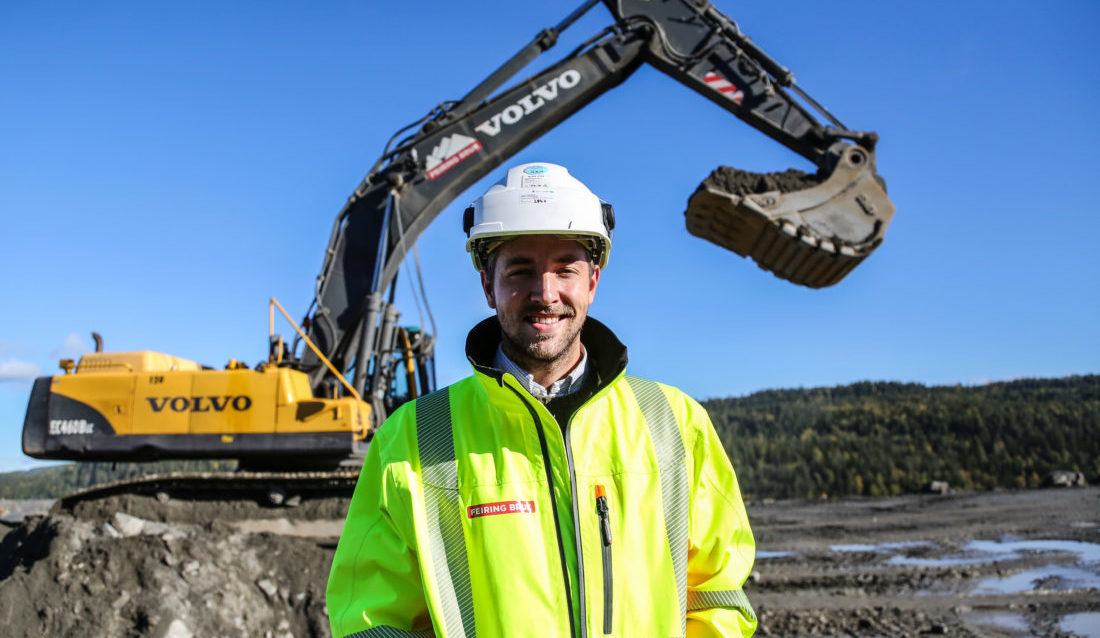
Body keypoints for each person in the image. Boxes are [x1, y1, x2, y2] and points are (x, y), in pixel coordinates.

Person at [327, 162, 757, 637]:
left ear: (592, 283)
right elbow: (371, 619)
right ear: (489, 286)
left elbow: (718, 597)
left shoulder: (674, 423)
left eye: (565, 270)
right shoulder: (413, 439)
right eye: (522, 270)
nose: (545, 292)